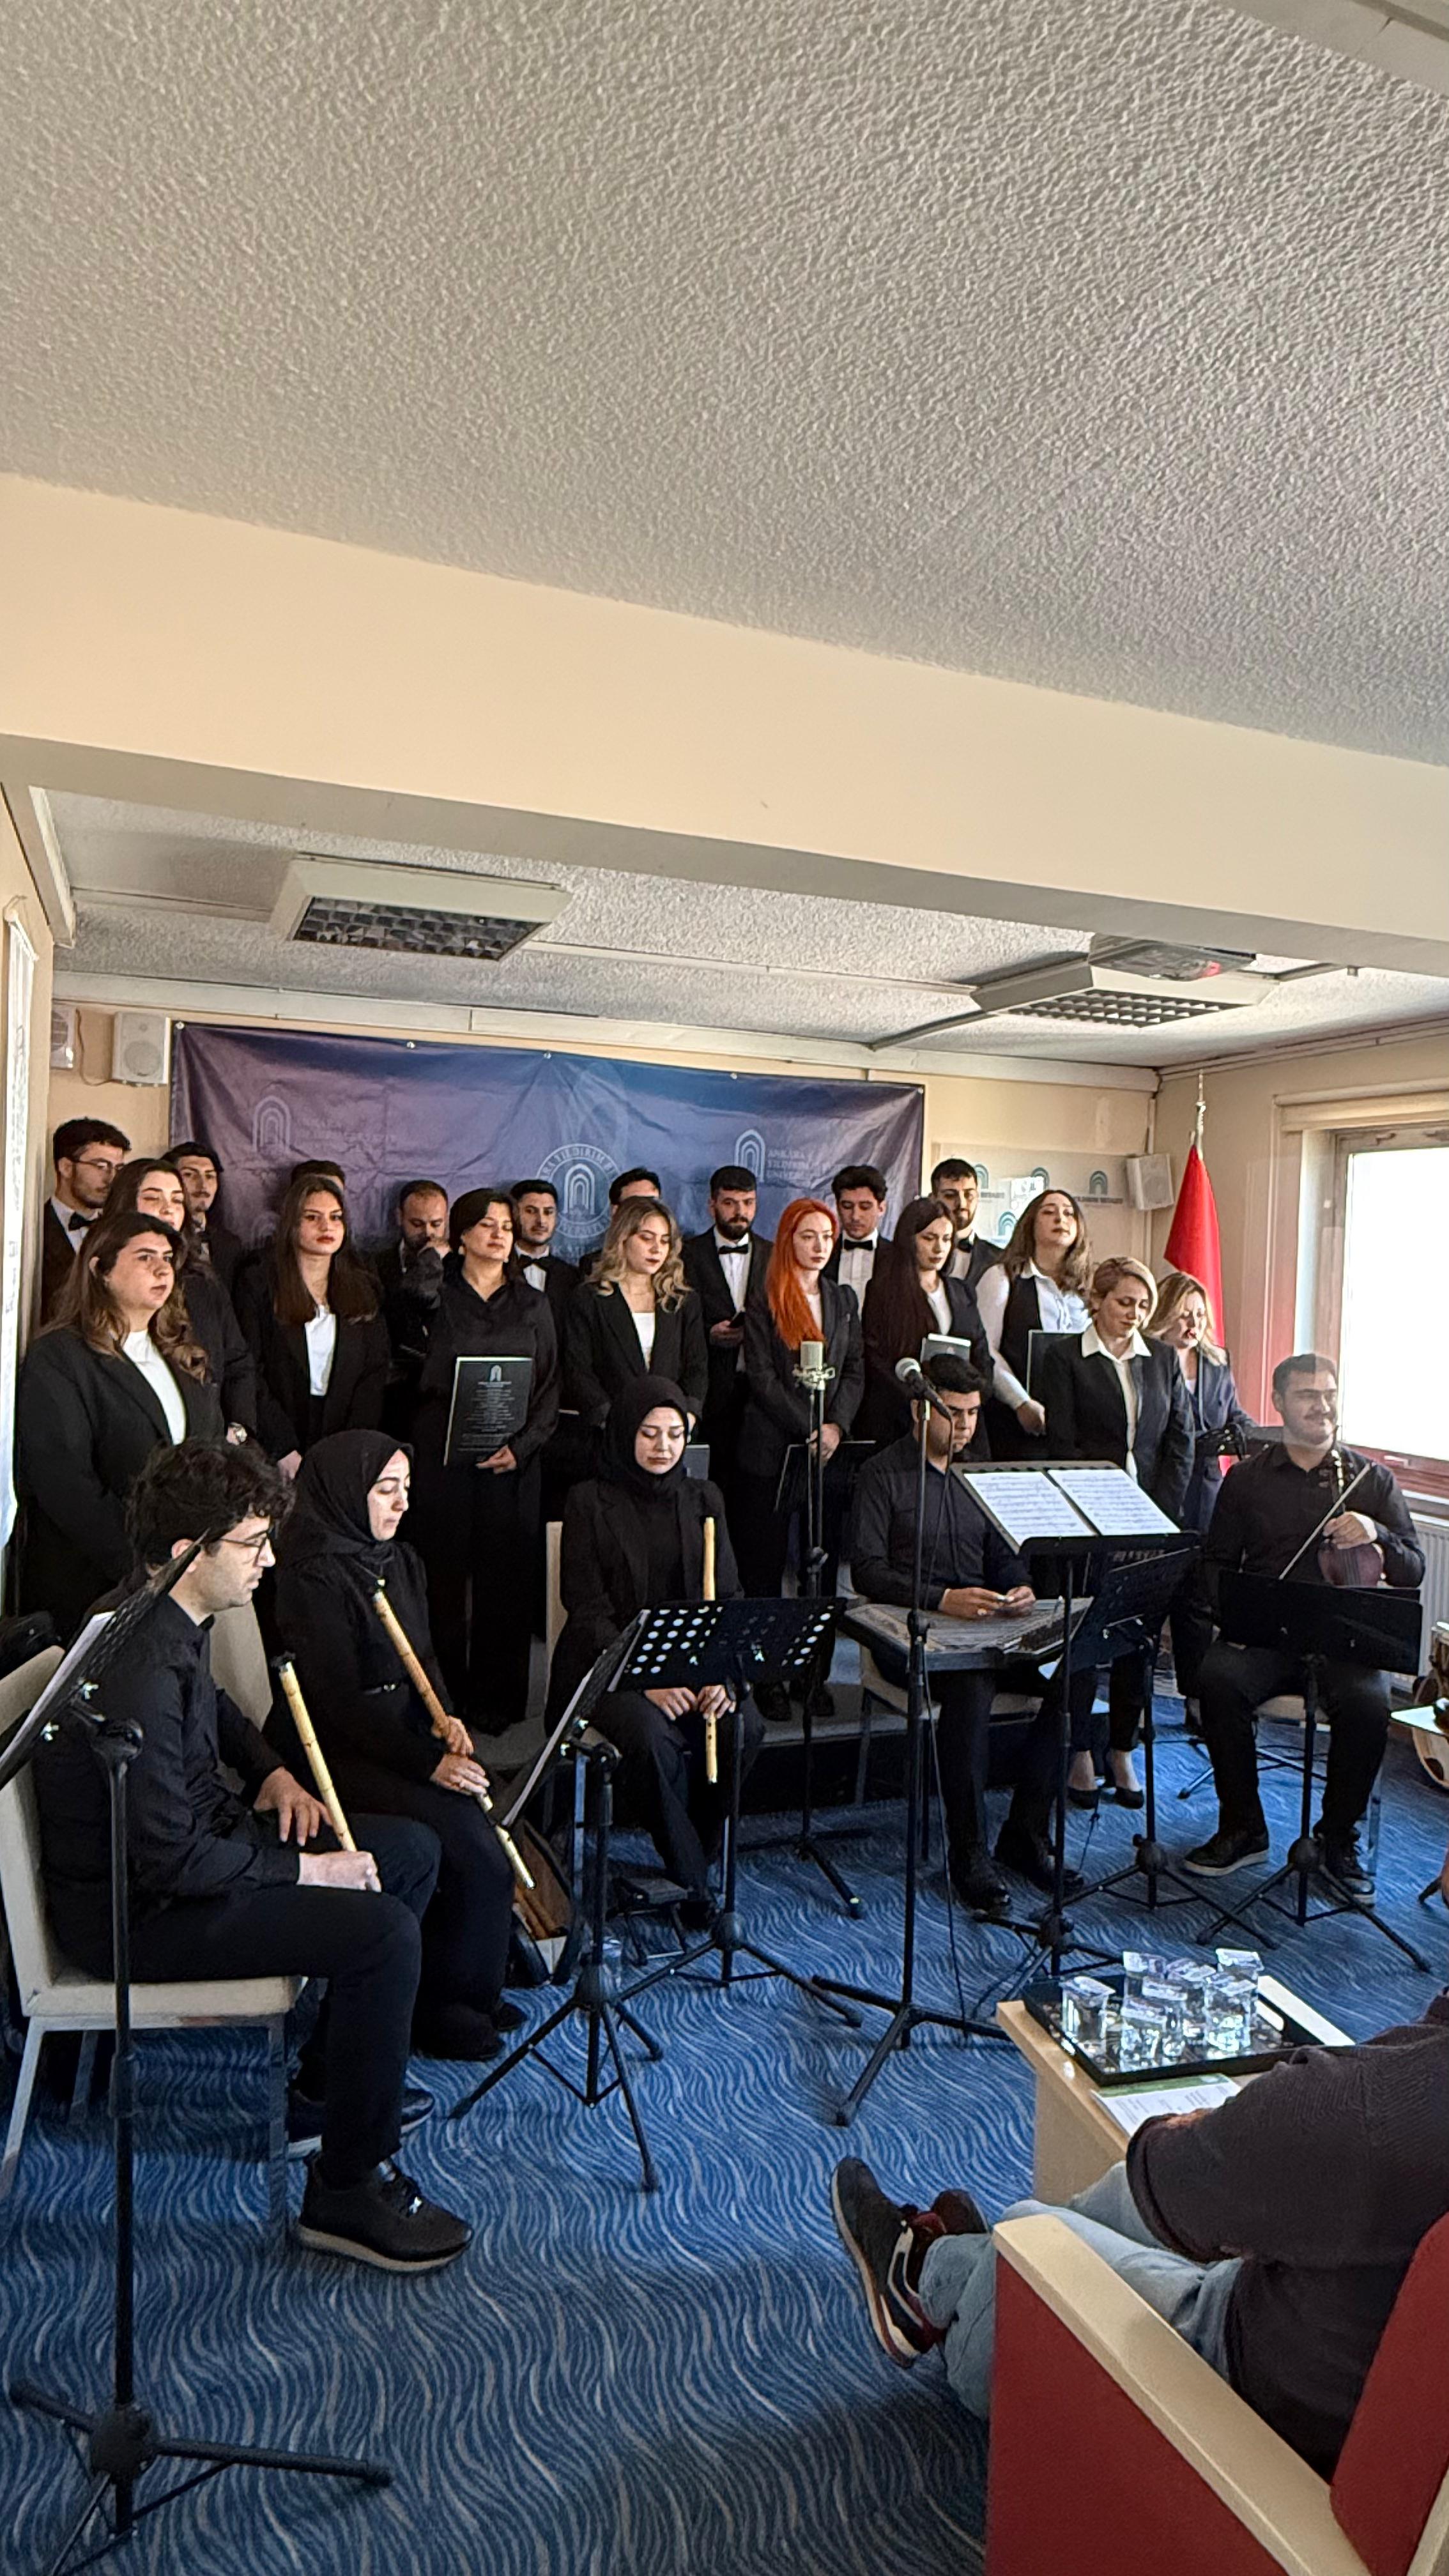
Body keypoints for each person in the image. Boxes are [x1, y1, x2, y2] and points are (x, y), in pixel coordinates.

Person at [32, 1439, 470, 2273]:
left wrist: (272, 1773)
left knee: (411, 1849)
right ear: (186, 1550)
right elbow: (169, 1861)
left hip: (200, 1853)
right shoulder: (135, 1666)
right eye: (252, 1544)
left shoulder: (162, 1610)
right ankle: (346, 2189)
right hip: (142, 1915)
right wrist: (311, 1870)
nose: (269, 1560)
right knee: (381, 1934)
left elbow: (218, 1708)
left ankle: (325, 2095)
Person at [832, 1984, 1449, 2475]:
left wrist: (1226, 2130)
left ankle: (929, 2277)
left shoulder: (1365, 2112)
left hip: (1256, 2393)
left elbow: (1167, 2168)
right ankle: (977, 2268)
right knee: (1134, 2196)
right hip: (1357, 2365)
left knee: (1030, 2238)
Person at [272, 1430, 518, 2060]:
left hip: (401, 1736)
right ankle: (441, 2007)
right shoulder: (311, 1576)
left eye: (406, 1488)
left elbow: (425, 1660)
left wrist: (447, 1719)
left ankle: (470, 1988)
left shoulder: (399, 1561)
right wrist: (429, 1763)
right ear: (347, 1492)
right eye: (386, 1490)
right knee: (467, 1843)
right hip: (333, 1754)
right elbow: (338, 1706)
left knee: (487, 1819)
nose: (403, 1503)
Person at [1181, 1353, 1425, 1897]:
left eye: (1330, 1394)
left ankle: (1337, 1838)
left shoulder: (1372, 1480)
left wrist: (1378, 1533)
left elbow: (1414, 1568)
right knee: (1217, 1680)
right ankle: (1243, 1827)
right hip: (1268, 1635)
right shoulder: (1247, 1479)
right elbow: (1216, 1563)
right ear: (1278, 1403)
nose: (1322, 1406)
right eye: (1307, 1395)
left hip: (1345, 1640)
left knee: (1369, 1705)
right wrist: (1235, 1617)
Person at [849, 1354, 1076, 1906]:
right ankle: (968, 1852)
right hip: (913, 1633)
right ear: (920, 1410)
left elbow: (1005, 1557)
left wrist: (1020, 1587)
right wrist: (940, 1599)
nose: (966, 1427)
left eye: (974, 1414)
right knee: (972, 1686)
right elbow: (867, 1571)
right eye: (954, 1414)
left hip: (987, 1629)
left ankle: (1025, 1832)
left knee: (1078, 1671)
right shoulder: (881, 1474)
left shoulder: (979, 1473)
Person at [548, 1377, 765, 1910]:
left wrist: (722, 1674)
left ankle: (695, 1853)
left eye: (674, 1434)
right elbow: (587, 1611)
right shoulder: (588, 1501)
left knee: (743, 1725)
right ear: (626, 1432)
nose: (663, 1447)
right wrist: (646, 1679)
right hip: (607, 1668)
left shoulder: (704, 1498)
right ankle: (692, 1879)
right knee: (651, 1737)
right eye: (649, 1434)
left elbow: (729, 1596)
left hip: (692, 1664)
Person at [17, 1211, 224, 1636]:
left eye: (167, 1258)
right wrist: (143, 1566)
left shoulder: (180, 1351)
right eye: (145, 1257)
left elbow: (211, 1450)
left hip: (183, 1579)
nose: (162, 1270)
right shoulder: (60, 1357)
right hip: (95, 1585)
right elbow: (66, 1484)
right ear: (101, 1270)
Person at [1037, 1257, 1194, 1807]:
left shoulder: (1163, 1359)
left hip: (1150, 1522)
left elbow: (1180, 1442)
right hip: (1089, 1520)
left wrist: (1158, 1517)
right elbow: (1063, 1446)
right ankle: (1081, 1749)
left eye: (1144, 1305)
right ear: (1098, 1301)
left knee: (1137, 1641)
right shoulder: (1064, 1358)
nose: (1135, 1314)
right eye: (1125, 1302)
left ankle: (1122, 1748)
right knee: (1084, 1637)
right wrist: (1104, 1515)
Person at [405, 1188, 560, 1729]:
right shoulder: (435, 1295)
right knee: (441, 1581)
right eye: (487, 1225)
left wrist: (524, 1446)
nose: (499, 1235)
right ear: (463, 1234)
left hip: (511, 1463)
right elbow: (406, 1358)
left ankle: (497, 1703)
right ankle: (443, 1701)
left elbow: (550, 1385)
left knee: (506, 1583)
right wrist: (434, 1259)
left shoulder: (533, 1303)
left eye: (507, 1227)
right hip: (443, 1459)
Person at [735, 1197, 864, 1621]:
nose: (820, 1246)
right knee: (765, 1563)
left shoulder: (843, 1299)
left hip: (826, 1452)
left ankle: (817, 1656)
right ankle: (764, 1655)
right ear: (789, 1240)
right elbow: (762, 1377)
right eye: (809, 1236)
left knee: (822, 1562)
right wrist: (810, 1426)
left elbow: (854, 1371)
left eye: (827, 1237)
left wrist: (836, 1427)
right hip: (771, 1450)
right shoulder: (765, 1298)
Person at [1149, 1269, 1256, 1726]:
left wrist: (1246, 1435)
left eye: (1199, 1315)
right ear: (1164, 1315)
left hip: (1206, 1496)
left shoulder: (1216, 1363)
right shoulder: (1149, 1360)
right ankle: (1134, 1706)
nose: (1193, 1324)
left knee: (1197, 1604)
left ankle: (1194, 1697)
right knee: (1152, 1600)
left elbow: (1236, 1416)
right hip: (1158, 1493)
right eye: (1183, 1315)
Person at [233, 1173, 390, 1474]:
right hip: (277, 1444)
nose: (326, 1227)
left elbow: (373, 1373)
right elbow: (250, 1372)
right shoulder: (258, 1285)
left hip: (344, 1442)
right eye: (312, 1217)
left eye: (335, 1218)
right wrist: (282, 1448)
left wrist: (349, 1446)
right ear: (291, 1225)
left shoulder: (364, 1287)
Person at [105, 1156, 257, 1440]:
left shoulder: (203, 1283)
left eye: (177, 1200)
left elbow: (238, 1361)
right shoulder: (103, 1279)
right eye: (153, 1198)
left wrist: (238, 1429)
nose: (168, 1209)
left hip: (209, 1447)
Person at [564, 1198, 708, 1438]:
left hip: (669, 1434)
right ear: (623, 1239)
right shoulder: (590, 1298)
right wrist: (610, 1420)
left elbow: (697, 1367)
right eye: (646, 1238)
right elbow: (578, 1370)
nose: (657, 1249)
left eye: (664, 1241)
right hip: (608, 1433)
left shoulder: (682, 1301)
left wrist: (687, 1418)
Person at [857, 1193, 991, 1448]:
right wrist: (922, 1401)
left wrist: (972, 1400)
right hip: (903, 1421)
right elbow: (876, 1359)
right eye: (929, 1238)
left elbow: (981, 1353)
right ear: (909, 1240)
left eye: (946, 1239)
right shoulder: (884, 1291)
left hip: (961, 1424)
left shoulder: (962, 1291)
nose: (939, 1248)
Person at [682, 1166, 772, 1506]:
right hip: (709, 1394)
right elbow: (676, 1321)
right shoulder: (686, 1255)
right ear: (712, 1205)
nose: (740, 1212)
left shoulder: (775, 1254)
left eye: (748, 1203)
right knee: (707, 1492)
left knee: (755, 1499)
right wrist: (708, 1334)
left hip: (762, 1398)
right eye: (730, 1203)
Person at [39, 1117, 130, 1322]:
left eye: (118, 1169)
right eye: (101, 1166)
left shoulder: (121, 1231)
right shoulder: (35, 1230)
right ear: (66, 1167)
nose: (112, 1179)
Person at [170, 1140, 244, 1292]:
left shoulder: (231, 1245)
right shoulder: (163, 1241)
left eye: (210, 1176)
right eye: (189, 1175)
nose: (203, 1184)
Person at [510, 1177, 581, 1328]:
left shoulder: (574, 1278)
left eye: (548, 1212)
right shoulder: (497, 1271)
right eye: (531, 1211)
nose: (541, 1221)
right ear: (514, 1214)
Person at [577, 1167, 663, 1282]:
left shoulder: (680, 1262)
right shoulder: (594, 1265)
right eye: (636, 1205)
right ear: (616, 1211)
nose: (647, 1211)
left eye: (653, 1202)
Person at [930, 1158, 1000, 1294]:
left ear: (978, 1197)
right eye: (950, 1196)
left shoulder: (999, 1259)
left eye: (969, 1195)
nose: (962, 1204)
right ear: (933, 1199)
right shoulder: (915, 1254)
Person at [825, 1164, 890, 1304]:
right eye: (847, 1206)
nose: (855, 1216)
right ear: (837, 1207)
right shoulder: (824, 1255)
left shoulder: (898, 1258)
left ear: (881, 1208)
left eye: (865, 1207)